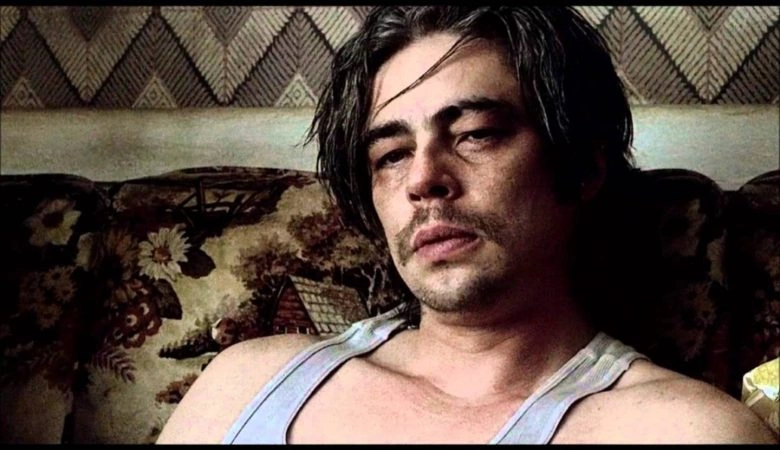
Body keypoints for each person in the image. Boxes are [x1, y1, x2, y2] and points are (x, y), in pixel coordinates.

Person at [156, 6, 777, 444]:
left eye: (476, 134)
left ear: (582, 169)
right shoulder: (246, 381)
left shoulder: (681, 431)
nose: (423, 178)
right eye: (391, 154)